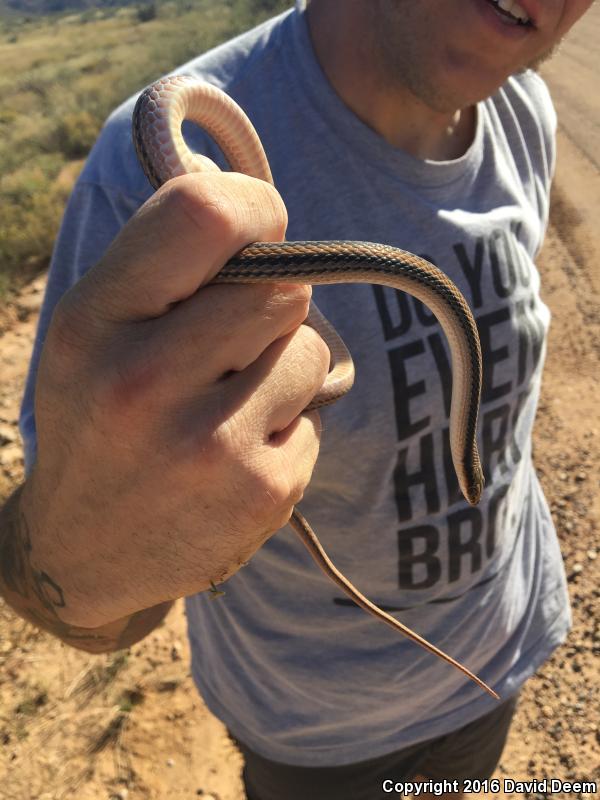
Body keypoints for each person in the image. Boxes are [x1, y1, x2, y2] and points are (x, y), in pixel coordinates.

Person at [0, 0, 593, 797]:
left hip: (500, 663)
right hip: (315, 740)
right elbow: (82, 579)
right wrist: (75, 556)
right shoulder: (139, 176)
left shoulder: (521, 107)